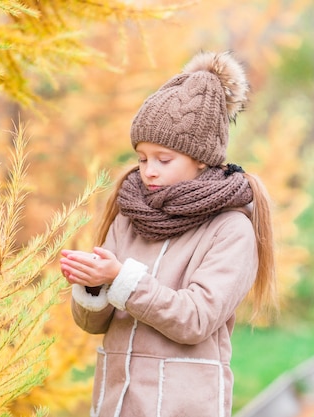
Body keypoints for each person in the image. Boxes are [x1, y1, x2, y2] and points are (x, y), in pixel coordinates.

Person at [59, 50, 277, 417]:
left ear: (201, 159)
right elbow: (93, 324)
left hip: (181, 406)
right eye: (142, 158)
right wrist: (93, 285)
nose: (149, 172)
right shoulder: (129, 217)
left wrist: (121, 278)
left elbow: (195, 319)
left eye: (164, 159)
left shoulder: (230, 228)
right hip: (116, 405)